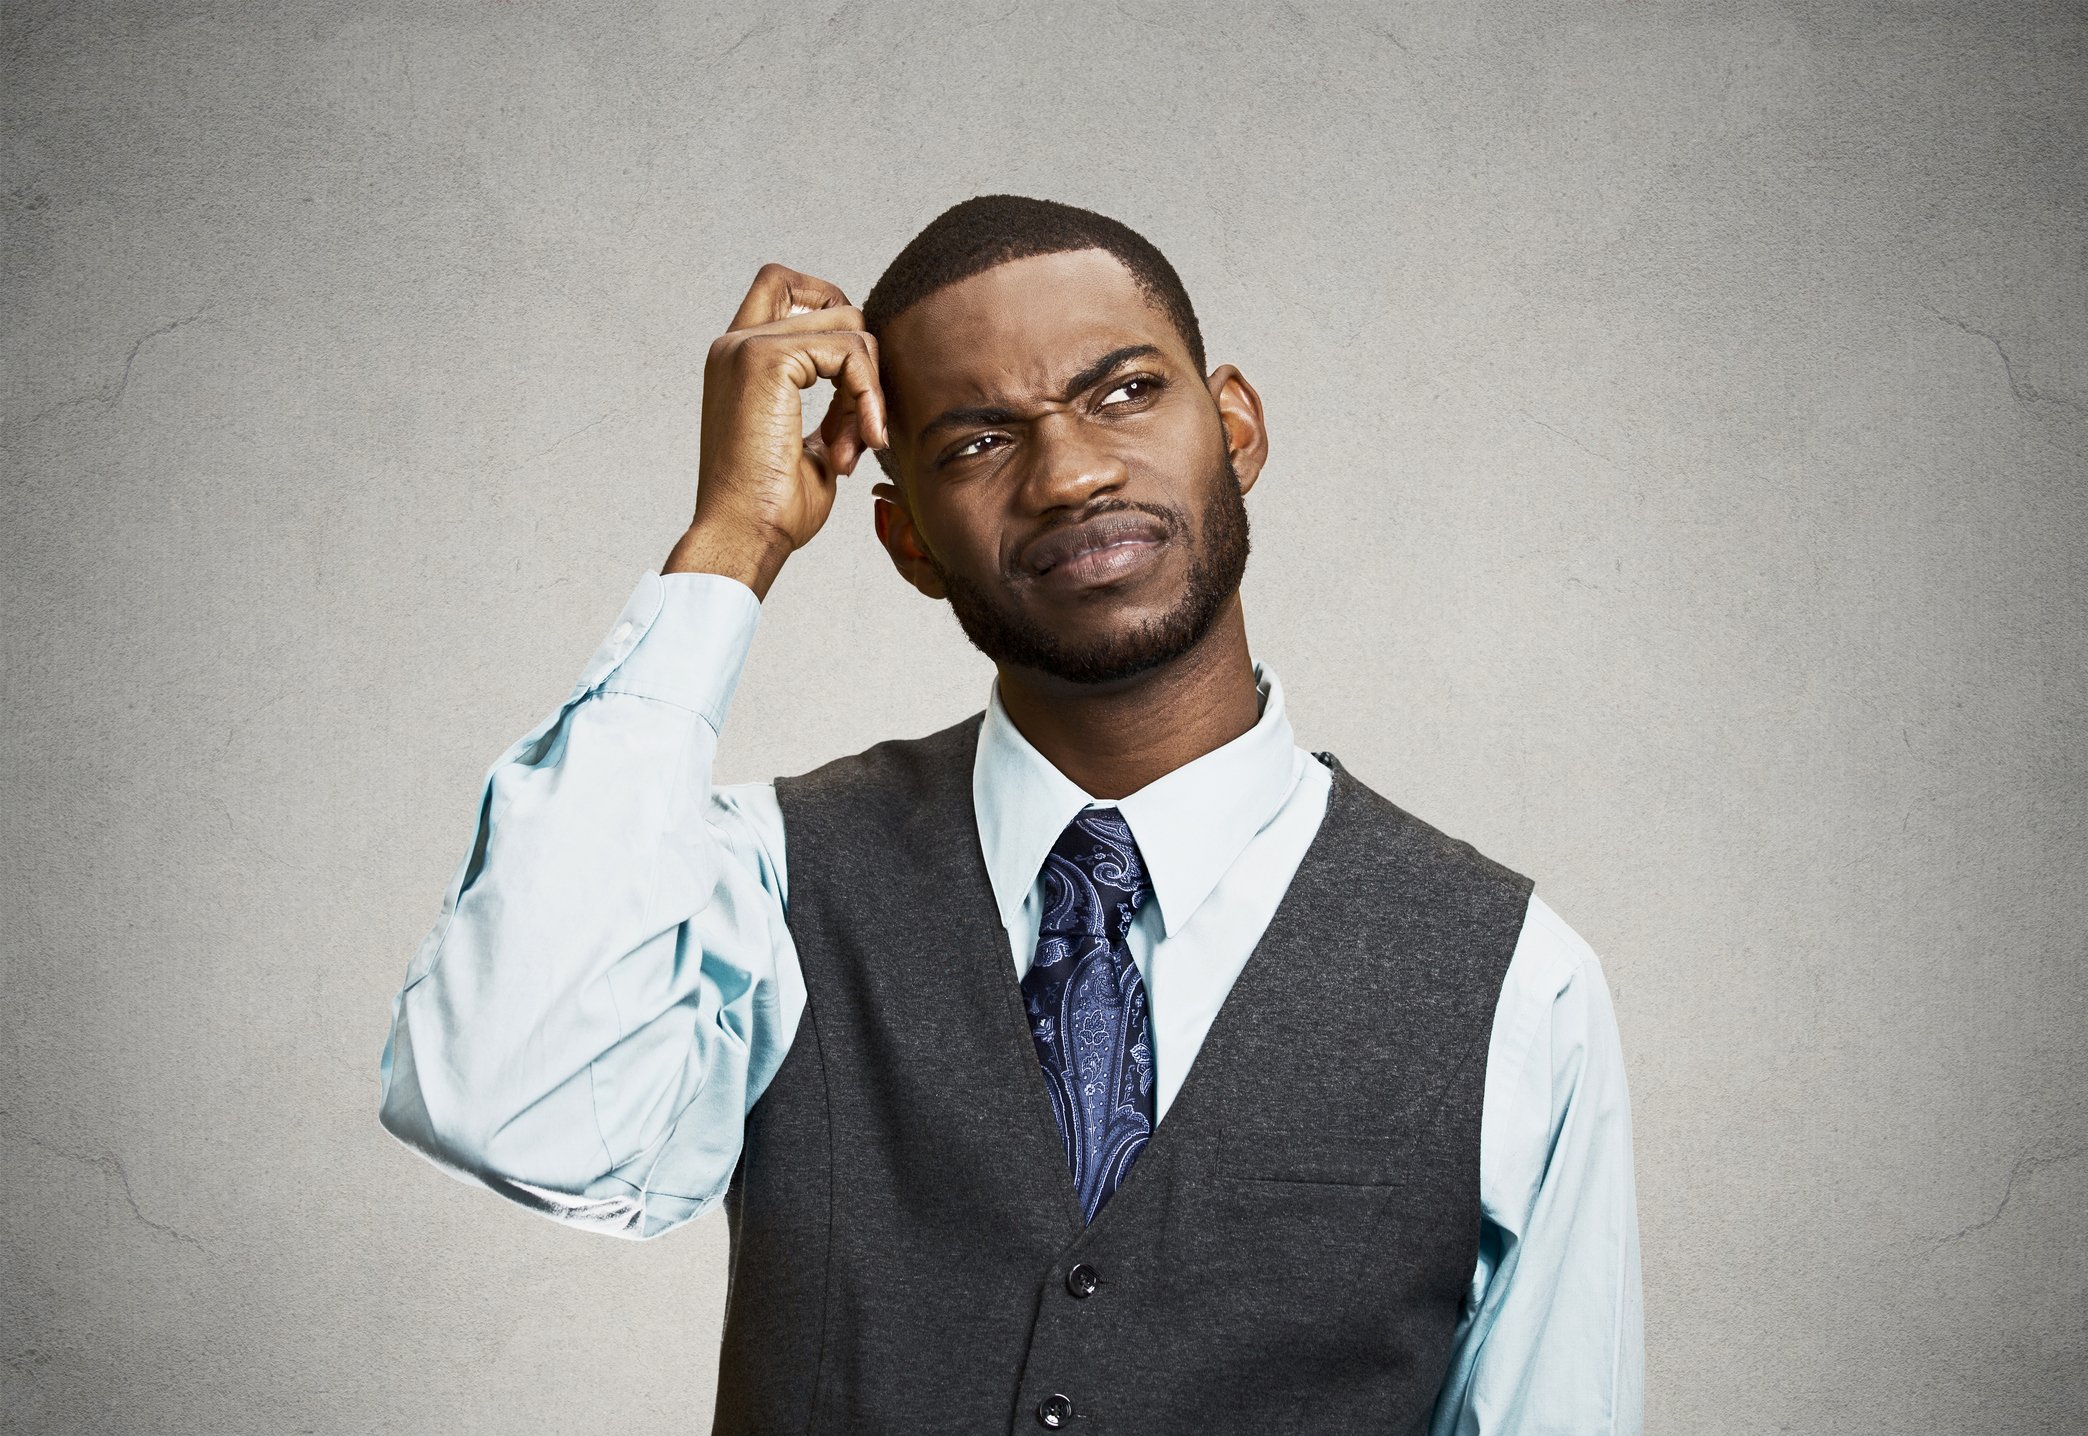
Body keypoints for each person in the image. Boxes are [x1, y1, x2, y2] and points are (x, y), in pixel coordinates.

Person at [378, 194, 1643, 1435]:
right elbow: (505, 1101)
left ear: (1239, 428)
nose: (1074, 472)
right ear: (907, 540)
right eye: (978, 442)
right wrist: (732, 538)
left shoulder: (1515, 984)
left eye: (1127, 391)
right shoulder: (768, 882)